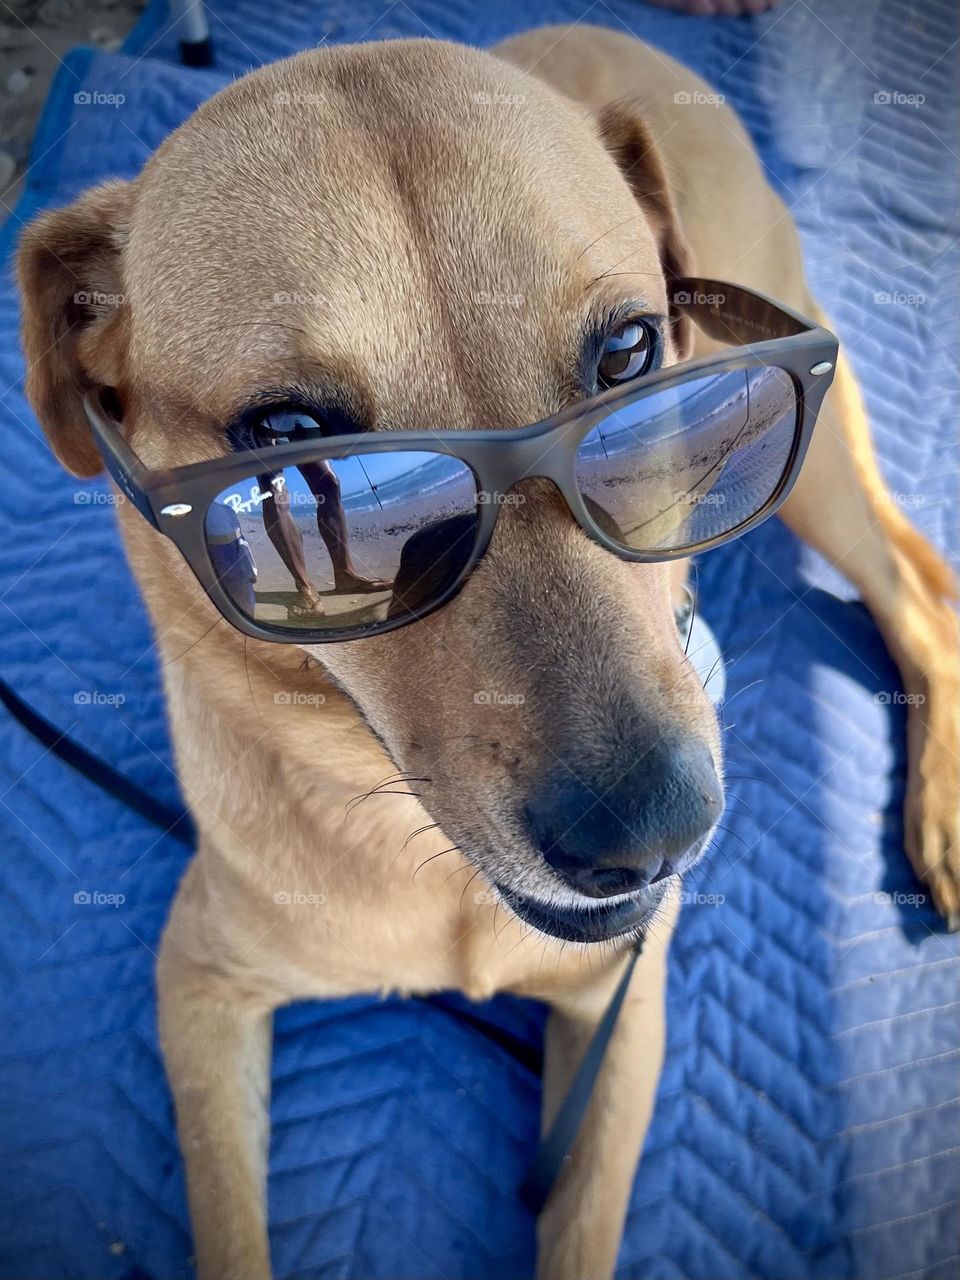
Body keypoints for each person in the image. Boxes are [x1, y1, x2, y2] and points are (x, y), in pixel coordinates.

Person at [258, 462, 389, 618]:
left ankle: (345, 575)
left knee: (329, 482)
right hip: (255, 438)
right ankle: (305, 587)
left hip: (293, 436)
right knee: (275, 493)